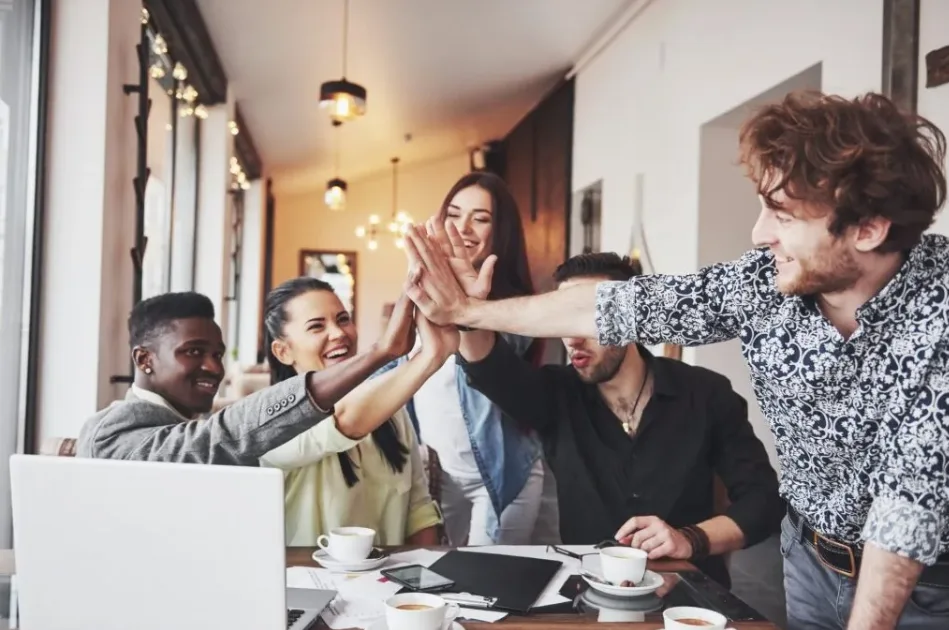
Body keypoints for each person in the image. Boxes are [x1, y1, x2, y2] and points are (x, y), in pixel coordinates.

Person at [404, 91, 949, 630]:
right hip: (806, 562)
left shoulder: (938, 315)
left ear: (869, 228)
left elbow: (907, 510)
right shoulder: (760, 284)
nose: (760, 235)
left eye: (781, 214)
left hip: (923, 585)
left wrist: (692, 537)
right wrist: (467, 309)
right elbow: (612, 304)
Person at [453, 250, 783, 587]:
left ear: (630, 316)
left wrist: (691, 538)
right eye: (562, 320)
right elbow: (489, 366)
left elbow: (764, 500)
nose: (572, 337)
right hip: (590, 597)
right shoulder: (554, 394)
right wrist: (467, 312)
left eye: (585, 319)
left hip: (688, 595)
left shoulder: (705, 393)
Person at [379, 171, 546, 546]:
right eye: (453, 215)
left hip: (502, 478)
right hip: (440, 475)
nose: (463, 228)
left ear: (500, 231)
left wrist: (466, 304)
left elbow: (486, 363)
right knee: (449, 580)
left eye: (480, 218)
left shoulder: (510, 306)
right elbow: (393, 370)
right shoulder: (426, 294)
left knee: (487, 587)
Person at [78, 290, 414, 465]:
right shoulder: (114, 431)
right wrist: (380, 352)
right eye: (194, 352)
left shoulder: (185, 418)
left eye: (217, 354)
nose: (213, 367)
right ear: (144, 359)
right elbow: (221, 435)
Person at [258, 277, 452, 546]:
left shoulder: (392, 411)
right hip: (310, 581)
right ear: (283, 351)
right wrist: (427, 357)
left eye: (343, 319)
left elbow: (418, 510)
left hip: (387, 580)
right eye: (316, 326)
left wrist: (424, 575)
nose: (338, 333)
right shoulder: (269, 422)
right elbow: (344, 419)